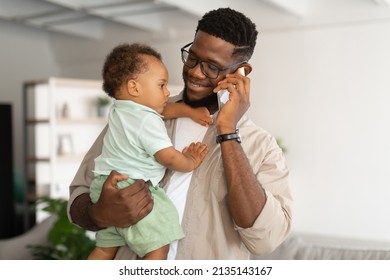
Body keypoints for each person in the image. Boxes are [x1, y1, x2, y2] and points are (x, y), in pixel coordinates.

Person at [68, 7, 293, 260]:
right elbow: (79, 195)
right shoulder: (138, 114)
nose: (196, 72)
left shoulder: (261, 146)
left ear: (241, 72)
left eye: (212, 67)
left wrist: (228, 131)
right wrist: (99, 214)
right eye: (193, 58)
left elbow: (265, 240)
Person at [87, 43, 209, 260]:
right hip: (132, 190)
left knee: (105, 249)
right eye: (161, 85)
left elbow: (165, 110)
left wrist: (189, 112)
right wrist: (190, 161)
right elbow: (167, 156)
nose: (167, 92)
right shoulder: (147, 121)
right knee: (158, 245)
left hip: (104, 188)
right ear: (134, 88)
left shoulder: (121, 109)